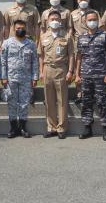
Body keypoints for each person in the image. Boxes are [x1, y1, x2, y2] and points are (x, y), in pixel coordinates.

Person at [75, 10, 106, 141]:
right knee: (86, 102)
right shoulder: (81, 37)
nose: (92, 21)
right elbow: (79, 57)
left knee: (102, 102)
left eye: (94, 19)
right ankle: (87, 128)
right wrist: (77, 74)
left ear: (98, 20)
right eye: (89, 19)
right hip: (86, 75)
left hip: (101, 75)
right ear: (85, 22)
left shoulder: (104, 35)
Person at [38, 10, 74, 139]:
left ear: (61, 21)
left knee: (62, 100)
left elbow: (71, 55)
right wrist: (41, 71)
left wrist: (70, 71)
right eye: (52, 19)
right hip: (47, 69)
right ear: (47, 21)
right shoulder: (43, 36)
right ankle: (51, 127)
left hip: (61, 69)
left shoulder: (67, 36)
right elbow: (41, 56)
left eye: (57, 19)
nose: (55, 21)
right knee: (49, 100)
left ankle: (62, 127)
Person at [1, 20, 39, 138]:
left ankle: (22, 127)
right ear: (13, 28)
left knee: (24, 104)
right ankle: (13, 128)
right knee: (12, 103)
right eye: (18, 28)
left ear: (26, 28)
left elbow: (35, 62)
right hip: (11, 78)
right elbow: (3, 61)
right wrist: (3, 77)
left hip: (26, 79)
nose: (20, 30)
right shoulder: (6, 43)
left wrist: (35, 77)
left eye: (22, 27)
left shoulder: (31, 44)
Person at [69, 0, 99, 105]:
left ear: (89, 0)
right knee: (79, 67)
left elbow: (99, 26)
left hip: (93, 41)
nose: (83, 1)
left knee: (94, 66)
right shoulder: (72, 14)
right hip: (78, 42)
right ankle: (79, 93)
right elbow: (70, 30)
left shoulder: (94, 13)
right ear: (77, 0)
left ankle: (94, 92)